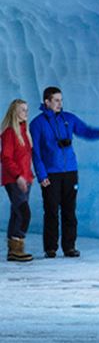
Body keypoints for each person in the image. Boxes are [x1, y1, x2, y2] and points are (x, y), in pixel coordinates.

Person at [30, 87, 99, 258]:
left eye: (61, 100)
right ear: (47, 102)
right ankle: (50, 248)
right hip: (51, 173)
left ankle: (69, 247)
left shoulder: (69, 119)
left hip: (70, 171)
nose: (60, 103)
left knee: (69, 210)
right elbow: (36, 152)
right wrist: (41, 174)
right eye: (56, 100)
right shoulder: (37, 123)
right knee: (51, 210)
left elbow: (86, 131)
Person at [1, 99, 34, 262]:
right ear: (14, 112)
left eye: (27, 110)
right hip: (14, 180)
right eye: (22, 110)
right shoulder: (9, 132)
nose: (26, 113)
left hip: (25, 179)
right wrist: (18, 176)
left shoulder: (24, 132)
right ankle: (17, 246)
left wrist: (29, 176)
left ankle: (13, 250)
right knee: (24, 212)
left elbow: (26, 158)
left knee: (16, 213)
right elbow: (6, 158)